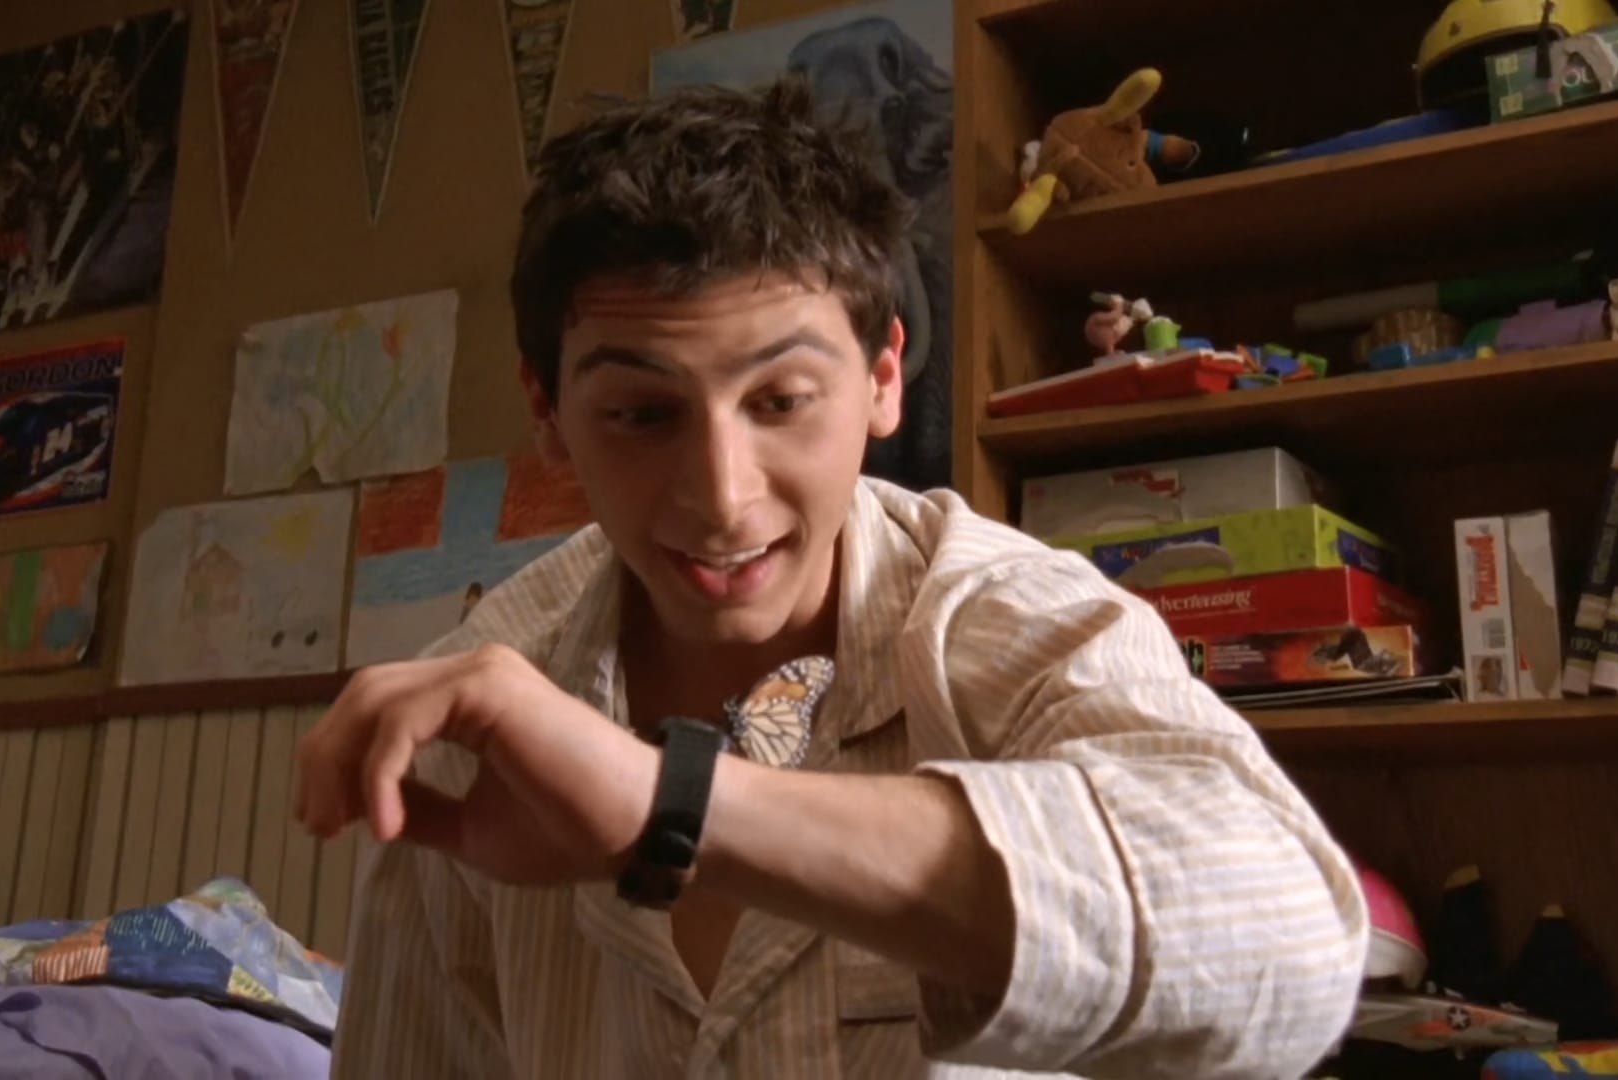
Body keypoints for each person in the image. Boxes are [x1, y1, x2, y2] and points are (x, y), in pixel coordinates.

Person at [294, 78, 1367, 1078]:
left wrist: (668, 804)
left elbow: (1294, 944)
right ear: (549, 413)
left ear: (884, 378)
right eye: (641, 414)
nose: (722, 496)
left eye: (782, 401)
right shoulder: (473, 718)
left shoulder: (1010, 616)